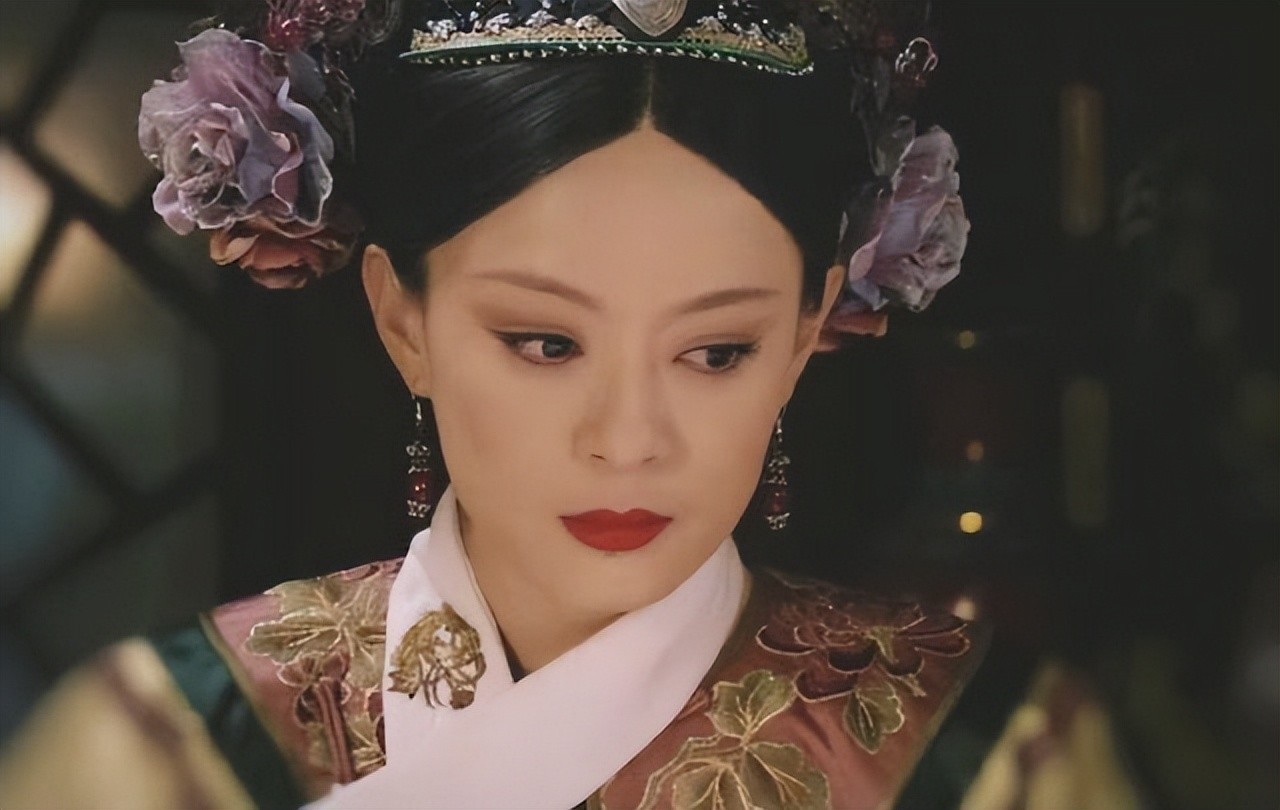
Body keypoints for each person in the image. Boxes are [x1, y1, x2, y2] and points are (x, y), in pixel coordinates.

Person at [0, 1, 1142, 808]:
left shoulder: (988, 762)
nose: (628, 440)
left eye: (716, 352)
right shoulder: (162, 753)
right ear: (403, 322)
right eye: (545, 343)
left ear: (805, 336)